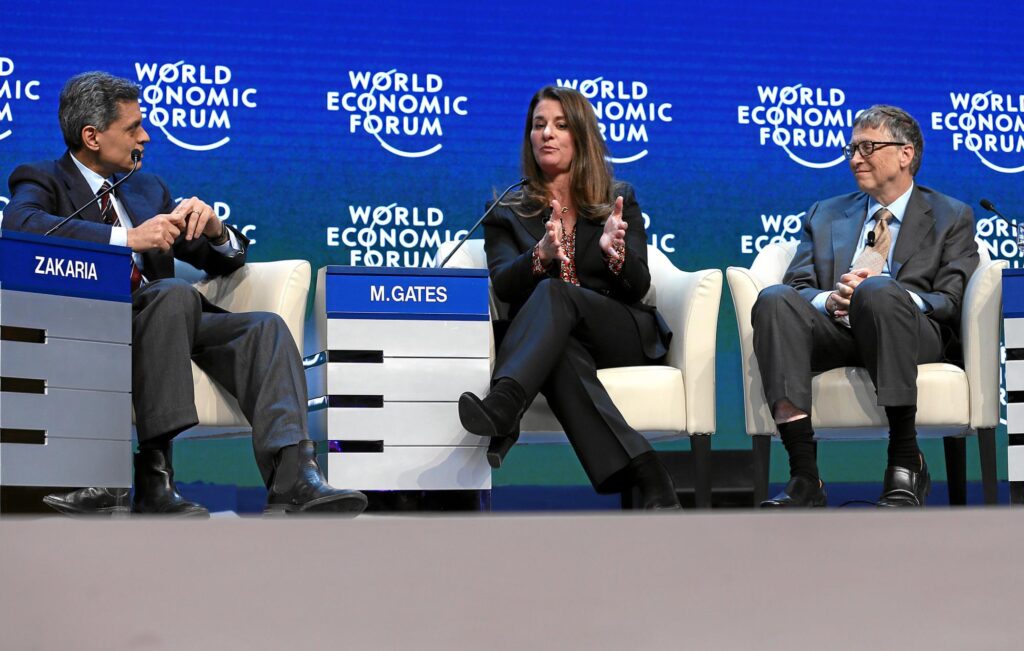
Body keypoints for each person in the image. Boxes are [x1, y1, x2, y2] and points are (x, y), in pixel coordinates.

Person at [5, 71, 367, 517]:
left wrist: (216, 231)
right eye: (133, 128)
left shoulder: (146, 188)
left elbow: (224, 262)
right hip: (97, 326)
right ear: (92, 136)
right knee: (173, 293)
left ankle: (295, 476)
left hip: (172, 318)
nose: (146, 136)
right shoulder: (43, 178)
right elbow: (20, 226)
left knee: (264, 328)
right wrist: (125, 239)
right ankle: (156, 477)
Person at [457, 86, 680, 510]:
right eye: (538, 125)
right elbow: (503, 284)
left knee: (555, 293)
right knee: (559, 345)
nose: (547, 134)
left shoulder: (617, 198)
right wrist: (538, 256)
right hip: (553, 343)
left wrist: (616, 256)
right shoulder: (505, 208)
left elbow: (638, 285)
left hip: (618, 331)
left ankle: (505, 405)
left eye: (560, 125)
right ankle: (648, 474)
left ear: (580, 135)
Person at [752, 105, 979, 508]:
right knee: (773, 300)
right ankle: (804, 476)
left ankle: (905, 460)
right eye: (852, 148)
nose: (855, 158)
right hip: (837, 330)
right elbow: (798, 286)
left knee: (876, 292)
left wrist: (881, 292)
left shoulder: (951, 215)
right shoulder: (826, 213)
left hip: (911, 332)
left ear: (905, 153)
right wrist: (832, 298)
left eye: (868, 147)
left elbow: (949, 299)